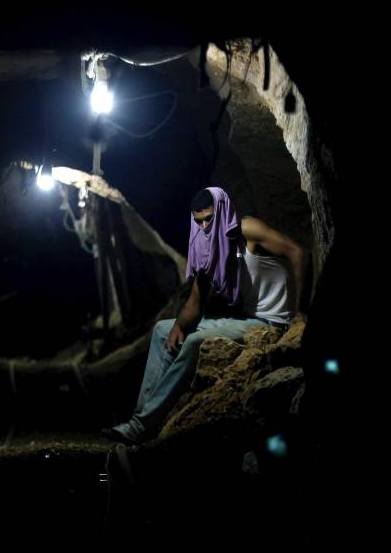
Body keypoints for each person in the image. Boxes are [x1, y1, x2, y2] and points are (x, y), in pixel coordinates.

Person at [101, 186, 307, 445]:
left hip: (272, 324)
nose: (205, 225)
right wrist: (179, 325)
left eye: (209, 218)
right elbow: (196, 301)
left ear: (222, 210)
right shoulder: (207, 248)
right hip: (249, 319)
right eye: (199, 221)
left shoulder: (247, 230)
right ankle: (140, 422)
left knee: (195, 342)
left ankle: (142, 425)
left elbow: (297, 252)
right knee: (164, 330)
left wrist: (299, 310)